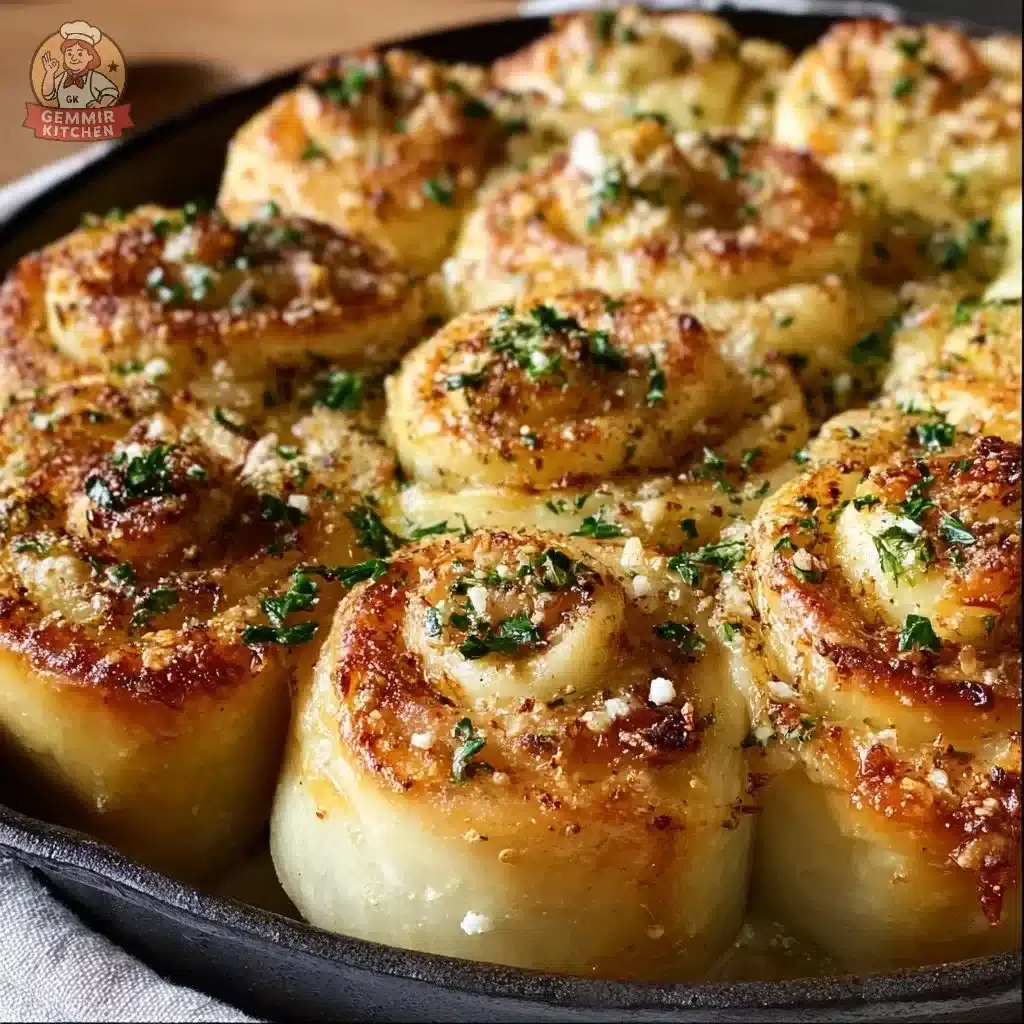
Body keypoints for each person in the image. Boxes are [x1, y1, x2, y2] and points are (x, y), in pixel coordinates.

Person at [40, 21, 119, 109]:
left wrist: (101, 104)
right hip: (64, 116)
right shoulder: (62, 77)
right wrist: (50, 73)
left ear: (90, 57)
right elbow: (48, 95)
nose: (74, 58)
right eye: (69, 53)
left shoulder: (93, 77)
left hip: (90, 117)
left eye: (80, 54)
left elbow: (111, 92)